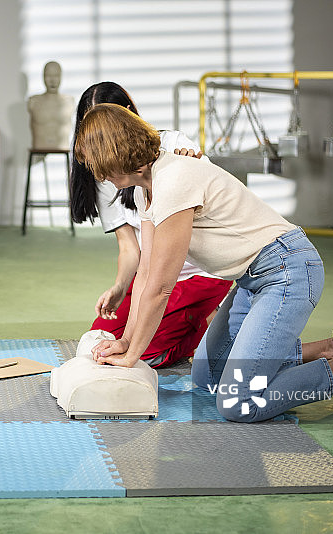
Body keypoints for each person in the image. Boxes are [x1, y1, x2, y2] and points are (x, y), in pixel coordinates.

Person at [74, 103, 333, 421]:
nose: (96, 174)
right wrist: (126, 340)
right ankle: (331, 348)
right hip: (251, 280)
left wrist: (131, 358)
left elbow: (160, 287)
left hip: (287, 271)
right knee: (207, 377)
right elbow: (146, 273)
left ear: (113, 155)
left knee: (238, 402)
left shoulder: (174, 179)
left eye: (96, 164)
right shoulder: (146, 191)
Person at [69, 82, 233, 368]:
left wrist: (132, 350)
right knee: (98, 342)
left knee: (144, 353)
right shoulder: (113, 176)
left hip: (197, 272)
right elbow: (135, 253)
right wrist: (121, 287)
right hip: (155, 271)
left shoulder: (173, 152)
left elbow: (159, 280)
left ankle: (213, 327)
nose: (100, 139)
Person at [27, 61, 75, 150]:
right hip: (39, 145)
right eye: (48, 76)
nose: (52, 80)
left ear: (61, 77)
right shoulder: (34, 101)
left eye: (56, 76)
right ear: (43, 77)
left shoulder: (69, 101)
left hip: (63, 146)